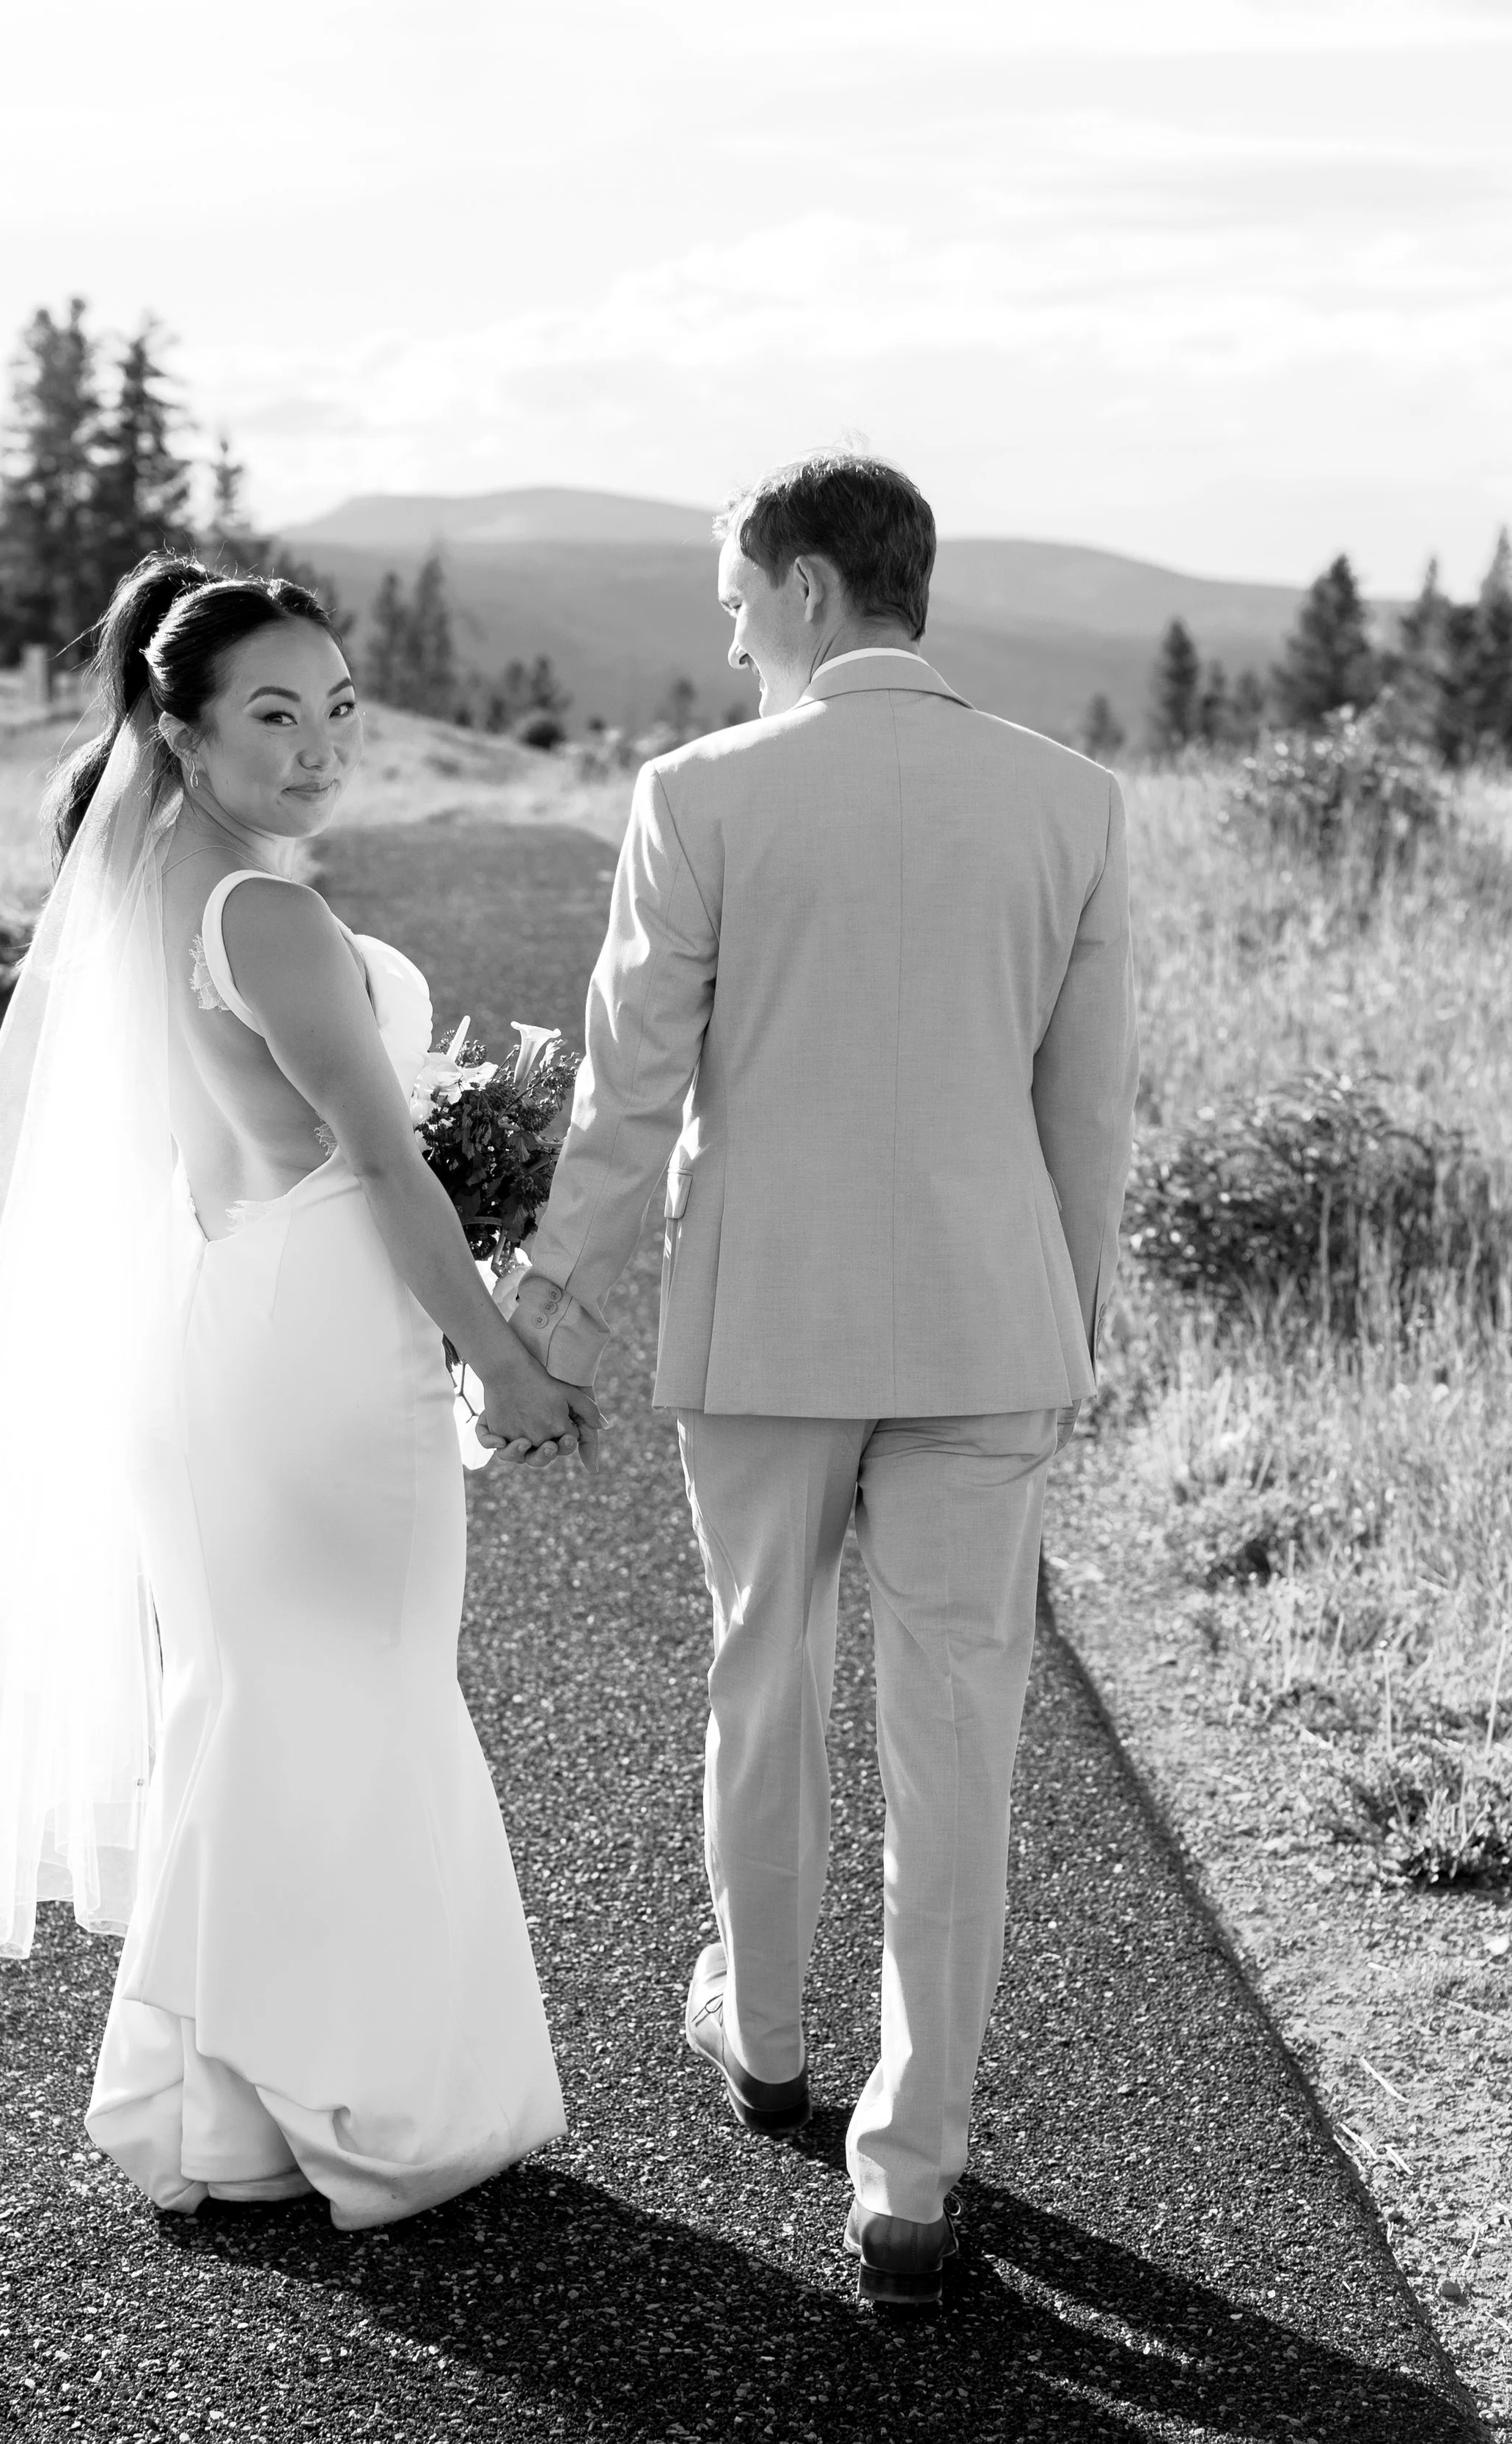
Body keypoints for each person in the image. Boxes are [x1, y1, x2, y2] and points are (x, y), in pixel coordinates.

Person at [0, 554, 597, 2228]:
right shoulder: (258, 910)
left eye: (337, 705)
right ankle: (369, 2104)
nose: (320, 741)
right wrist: (503, 1358)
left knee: (257, 1704)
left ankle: (230, 2114)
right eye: (273, 714)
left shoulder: (151, 879)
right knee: (362, 1694)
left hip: (231, 1317)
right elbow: (383, 1170)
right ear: (178, 730)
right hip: (317, 1342)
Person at [496, 452, 1139, 2309]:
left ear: (797, 591)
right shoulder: (1073, 800)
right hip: (984, 1330)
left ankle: (765, 2038)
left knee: (759, 1666)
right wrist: (1055, 1323)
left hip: (763, 1324)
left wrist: (544, 1315)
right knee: (960, 1744)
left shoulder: (695, 795)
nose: (722, 633)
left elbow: (627, 1100)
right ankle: (912, 2163)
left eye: (729, 598)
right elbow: (1077, 1114)